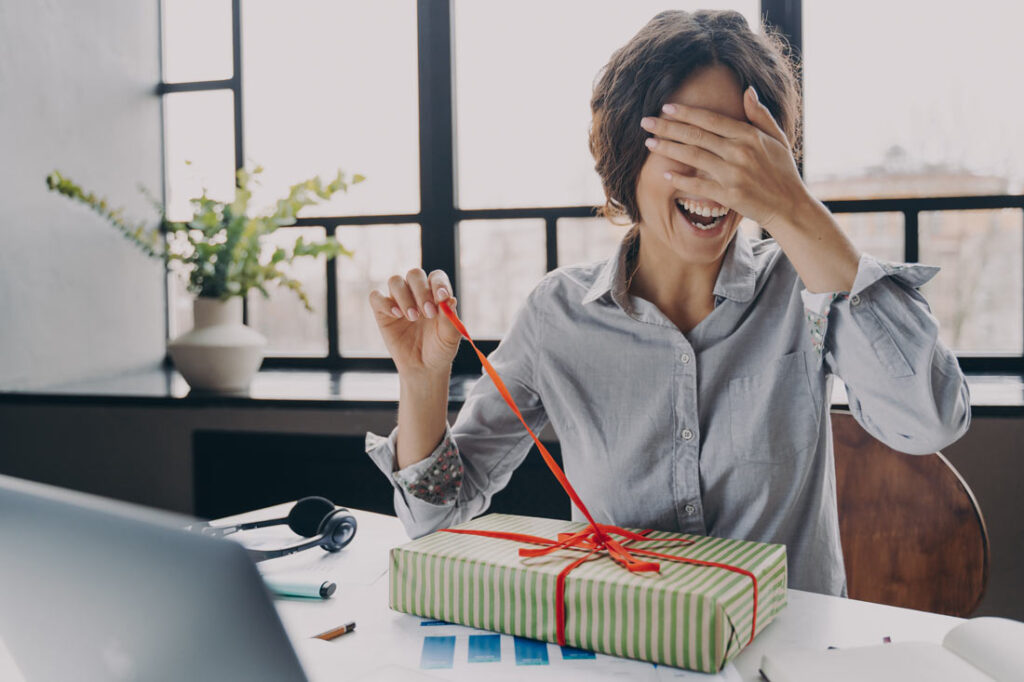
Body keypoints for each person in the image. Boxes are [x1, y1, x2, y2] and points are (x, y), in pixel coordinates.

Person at [364, 9, 970, 596]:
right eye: (691, 143)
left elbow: (931, 419)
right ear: (630, 155)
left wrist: (794, 208)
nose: (715, 179)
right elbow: (436, 523)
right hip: (621, 650)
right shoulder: (558, 314)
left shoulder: (805, 286)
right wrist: (422, 383)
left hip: (785, 659)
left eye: (739, 150)